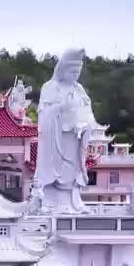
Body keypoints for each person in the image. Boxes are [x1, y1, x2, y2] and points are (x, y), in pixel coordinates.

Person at [34, 48, 96, 213]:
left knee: (74, 169)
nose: (76, 75)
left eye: (78, 71)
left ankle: (74, 201)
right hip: (57, 138)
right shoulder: (50, 87)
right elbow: (43, 116)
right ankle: (51, 201)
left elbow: (88, 113)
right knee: (59, 168)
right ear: (63, 70)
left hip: (76, 138)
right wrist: (61, 107)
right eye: (72, 71)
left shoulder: (79, 89)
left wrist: (85, 125)